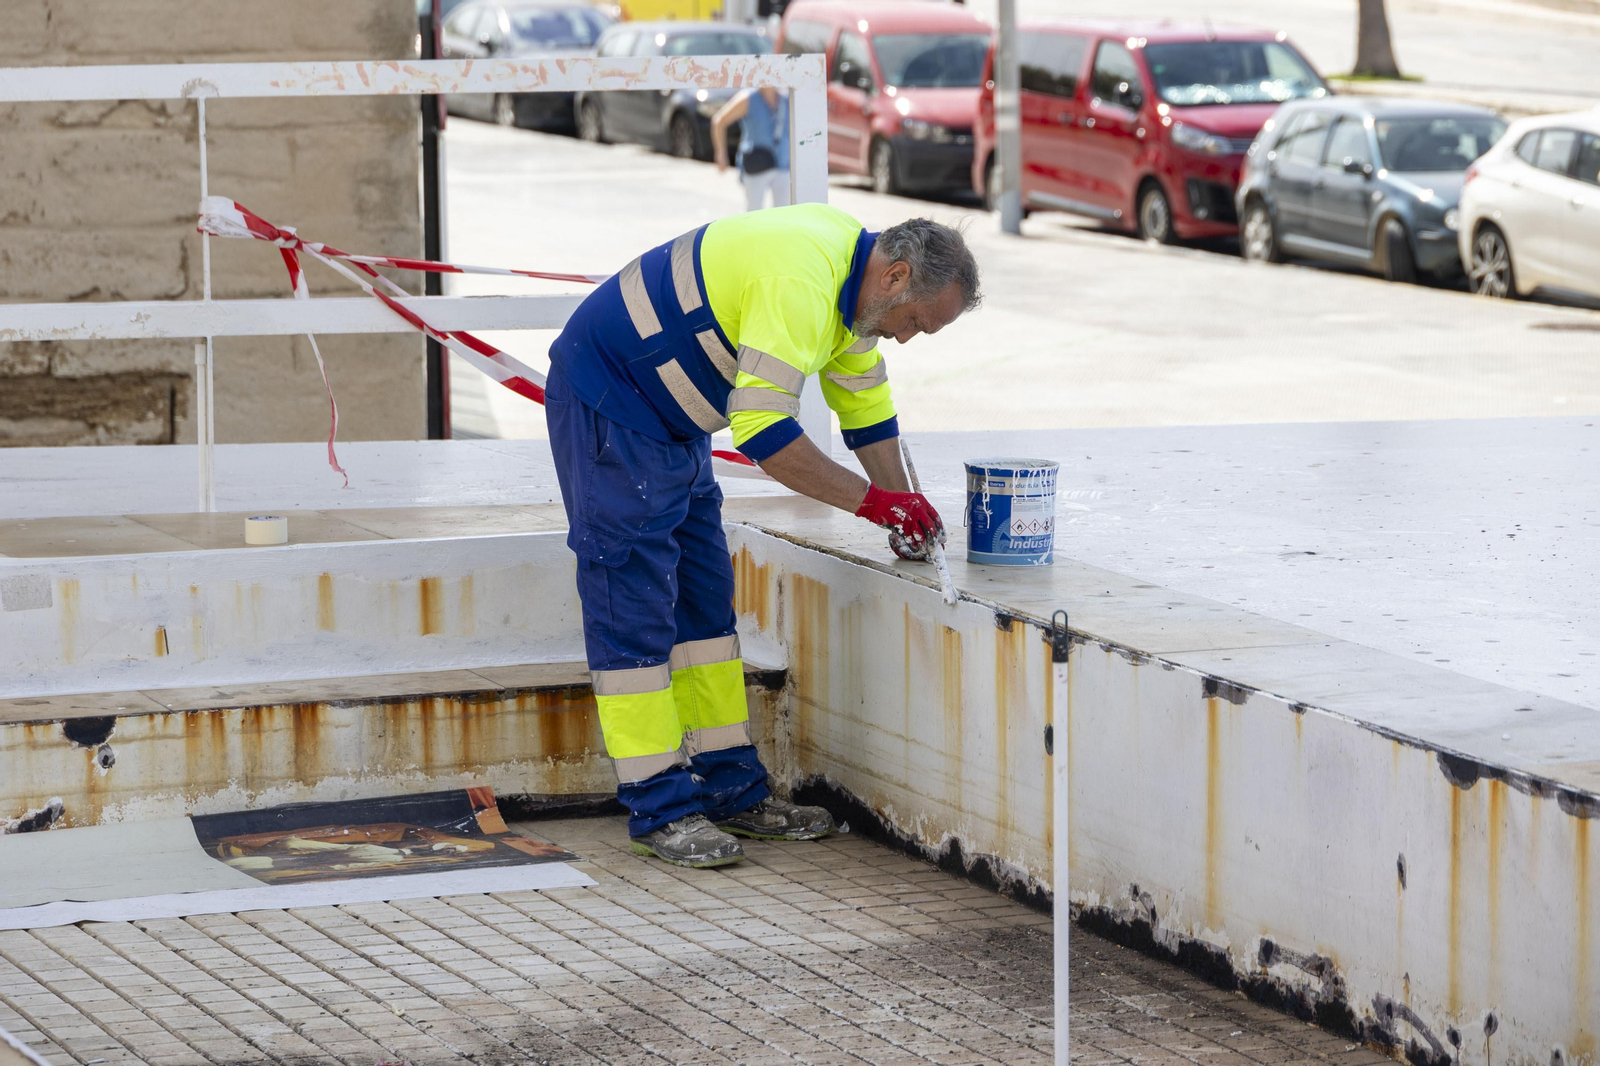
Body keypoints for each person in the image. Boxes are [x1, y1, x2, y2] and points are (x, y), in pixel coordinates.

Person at [546, 204, 981, 868]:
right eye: (918, 322)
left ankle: (732, 793)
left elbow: (864, 409)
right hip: (614, 405)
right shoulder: (802, 283)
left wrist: (905, 504)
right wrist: (874, 507)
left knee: (704, 609)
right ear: (896, 277)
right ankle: (660, 810)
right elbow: (765, 436)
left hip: (672, 423)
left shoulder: (853, 291)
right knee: (631, 608)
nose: (908, 338)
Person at [712, 87, 789, 211]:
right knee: (754, 213)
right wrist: (721, 153)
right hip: (757, 163)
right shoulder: (748, 98)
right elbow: (719, 121)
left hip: (783, 163)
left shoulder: (786, 99)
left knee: (784, 214)